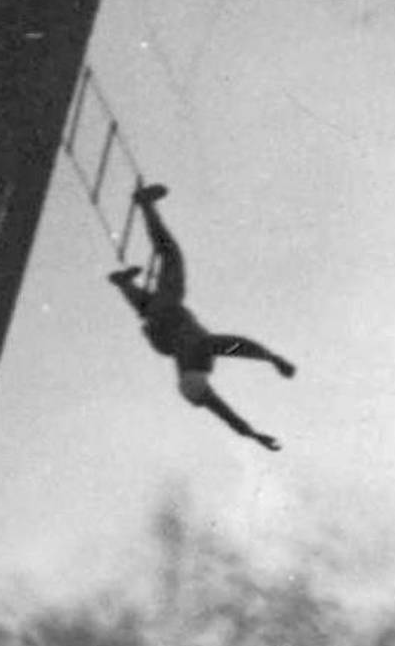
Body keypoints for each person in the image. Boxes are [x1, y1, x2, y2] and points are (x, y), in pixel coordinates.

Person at [108, 183, 294, 450]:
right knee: (148, 308)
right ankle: (124, 284)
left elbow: (238, 345)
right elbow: (225, 414)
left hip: (167, 312)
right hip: (159, 325)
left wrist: (274, 359)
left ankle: (145, 203)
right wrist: (254, 435)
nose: (210, 388)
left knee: (170, 254)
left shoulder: (200, 352)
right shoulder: (185, 367)